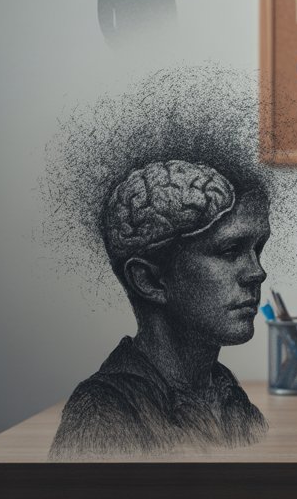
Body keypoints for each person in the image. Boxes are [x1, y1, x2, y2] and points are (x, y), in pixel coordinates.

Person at [50, 160, 269, 458]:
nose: (257, 273)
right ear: (150, 280)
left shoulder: (231, 398)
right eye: (230, 251)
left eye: (257, 249)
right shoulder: (104, 414)